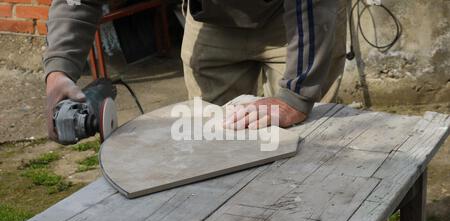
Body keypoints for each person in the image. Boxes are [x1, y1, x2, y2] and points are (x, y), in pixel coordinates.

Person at [44, 0, 347, 141]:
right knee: (210, 147)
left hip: (300, 20)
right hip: (212, 20)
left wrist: (295, 96)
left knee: (302, 144)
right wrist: (59, 70)